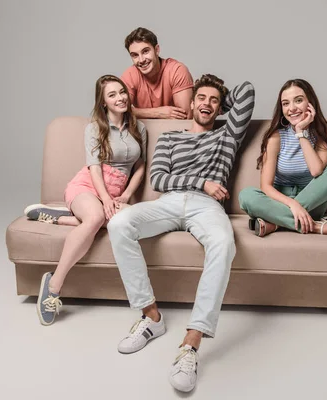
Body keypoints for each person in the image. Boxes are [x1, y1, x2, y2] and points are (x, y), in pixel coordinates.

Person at [107, 74, 255, 392]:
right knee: (119, 224)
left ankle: (191, 342)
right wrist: (200, 181)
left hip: (207, 207)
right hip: (169, 202)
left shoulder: (228, 136)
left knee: (223, 243)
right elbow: (158, 180)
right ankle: (151, 317)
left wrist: (217, 100)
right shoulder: (170, 137)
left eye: (214, 101)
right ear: (191, 102)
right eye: (201, 98)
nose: (207, 104)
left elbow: (247, 93)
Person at [26, 74, 147, 326]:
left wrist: (124, 195)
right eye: (112, 95)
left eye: (122, 92)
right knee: (95, 217)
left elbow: (139, 167)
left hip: (116, 193)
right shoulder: (94, 128)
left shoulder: (139, 128)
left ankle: (62, 219)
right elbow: (93, 167)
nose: (120, 97)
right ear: (103, 102)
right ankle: (54, 285)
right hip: (88, 186)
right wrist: (105, 199)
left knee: (128, 221)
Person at [238, 78, 327, 237]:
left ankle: (276, 222)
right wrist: (293, 205)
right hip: (281, 201)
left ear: (310, 103)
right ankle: (316, 227)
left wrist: (300, 133)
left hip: (312, 201)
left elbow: (316, 171)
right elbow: (266, 187)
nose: (292, 108)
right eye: (285, 103)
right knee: (246, 196)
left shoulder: (324, 131)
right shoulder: (275, 138)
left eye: (298, 100)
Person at [121, 27, 194, 119]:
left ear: (157, 50)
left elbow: (185, 117)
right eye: (135, 55)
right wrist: (158, 113)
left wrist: (135, 112)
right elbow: (119, 111)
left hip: (176, 131)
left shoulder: (177, 70)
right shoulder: (130, 75)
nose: (141, 60)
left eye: (145, 51)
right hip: (143, 132)